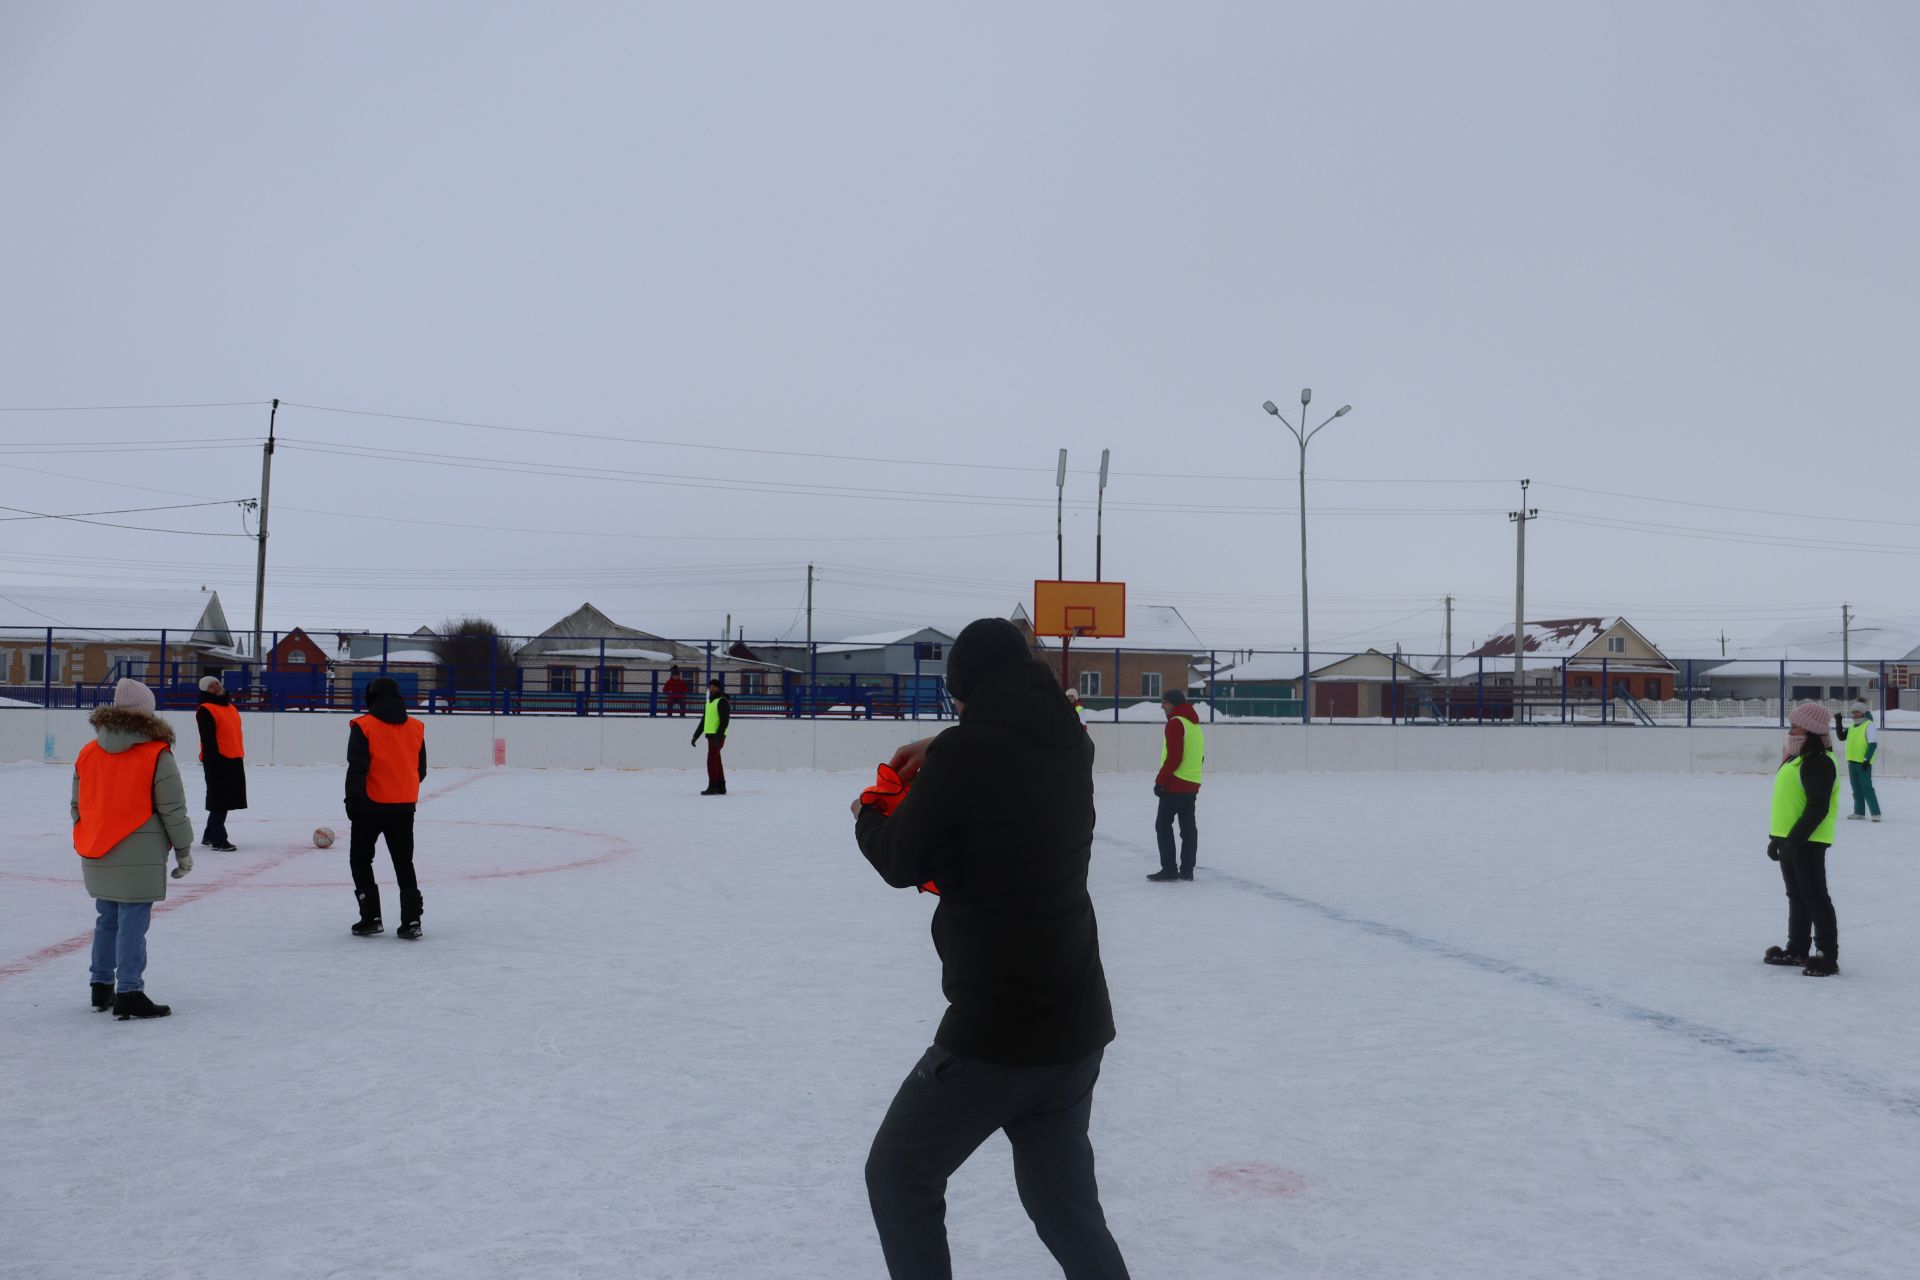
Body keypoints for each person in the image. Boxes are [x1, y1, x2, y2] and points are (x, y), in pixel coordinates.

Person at [853, 617, 1129, 1280]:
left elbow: (898, 857)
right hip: (1076, 1025)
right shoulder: (1070, 741)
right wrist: (943, 742)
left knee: (898, 1174)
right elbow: (999, 804)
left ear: (965, 694)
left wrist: (875, 803)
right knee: (1065, 1209)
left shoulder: (967, 754)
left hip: (999, 1035)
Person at [72, 678, 195, 1020]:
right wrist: (183, 850)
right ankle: (129, 991)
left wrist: (87, 833)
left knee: (107, 919)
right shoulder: (156, 752)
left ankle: (101, 987)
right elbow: (172, 808)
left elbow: (77, 805)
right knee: (132, 923)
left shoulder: (88, 751)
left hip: (97, 847)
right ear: (147, 713)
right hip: (139, 851)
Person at [345, 676, 428, 939]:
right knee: (404, 863)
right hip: (404, 805)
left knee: (360, 859)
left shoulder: (364, 725)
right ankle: (412, 921)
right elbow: (421, 769)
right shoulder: (416, 726)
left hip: (370, 804)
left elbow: (357, 767)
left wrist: (352, 800)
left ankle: (371, 917)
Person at [1764, 701, 1841, 977]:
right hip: (1792, 839)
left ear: (1810, 730)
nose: (1791, 730)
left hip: (1808, 840)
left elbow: (1817, 807)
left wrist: (1795, 841)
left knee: (1815, 897)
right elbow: (1790, 803)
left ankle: (1826, 956)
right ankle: (1797, 948)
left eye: (1795, 725)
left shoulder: (1819, 762)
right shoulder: (1796, 759)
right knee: (1797, 896)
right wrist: (1779, 838)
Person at [1148, 688, 1204, 882]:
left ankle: (1169, 868)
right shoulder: (1194, 725)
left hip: (1175, 784)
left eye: (1164, 702)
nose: (1162, 706)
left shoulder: (1175, 723)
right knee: (1188, 828)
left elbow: (1174, 757)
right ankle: (1187, 870)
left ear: (1173, 703)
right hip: (1192, 783)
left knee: (1162, 825)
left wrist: (1160, 781)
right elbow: (1200, 756)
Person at [195, 675, 247, 851]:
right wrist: (214, 760)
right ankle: (219, 839)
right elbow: (207, 739)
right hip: (217, 759)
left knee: (225, 799)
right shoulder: (205, 709)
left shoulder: (230, 707)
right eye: (211, 686)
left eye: (217, 683)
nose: (216, 686)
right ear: (205, 690)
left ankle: (209, 834)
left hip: (233, 757)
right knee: (220, 800)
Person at [1835, 699, 1882, 822]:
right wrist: (1838, 722)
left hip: (1863, 763)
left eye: (1857, 712)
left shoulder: (1868, 725)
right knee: (1856, 788)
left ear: (1863, 712)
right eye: (1853, 712)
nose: (1855, 714)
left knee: (1867, 787)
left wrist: (1867, 759)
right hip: (1852, 761)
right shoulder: (1852, 727)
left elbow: (1872, 744)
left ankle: (1875, 813)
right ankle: (1859, 812)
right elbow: (1841, 737)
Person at [692, 677, 730, 795]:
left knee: (711, 761)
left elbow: (725, 721)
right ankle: (721, 786)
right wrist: (695, 736)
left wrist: (719, 736)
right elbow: (704, 721)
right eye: (710, 687)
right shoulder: (709, 702)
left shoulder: (722, 701)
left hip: (717, 736)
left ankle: (713, 786)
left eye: (714, 686)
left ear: (719, 688)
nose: (712, 688)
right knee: (716, 760)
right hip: (711, 736)